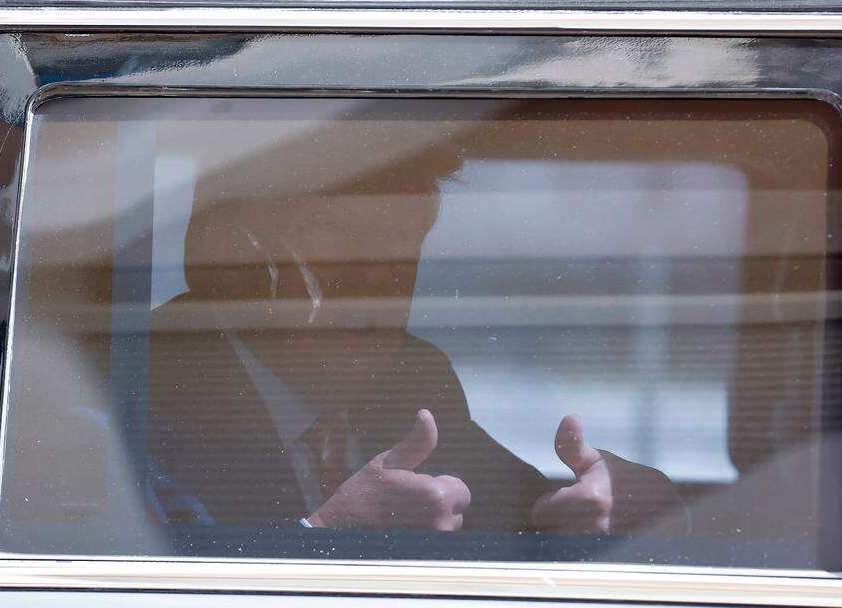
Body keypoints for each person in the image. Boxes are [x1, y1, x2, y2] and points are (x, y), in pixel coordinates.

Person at [146, 111, 687, 534]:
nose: (381, 282)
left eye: (402, 247)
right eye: (339, 240)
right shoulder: (135, 388)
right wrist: (329, 537)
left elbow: (535, 516)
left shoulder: (411, 377)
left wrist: (628, 512)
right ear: (231, 252)